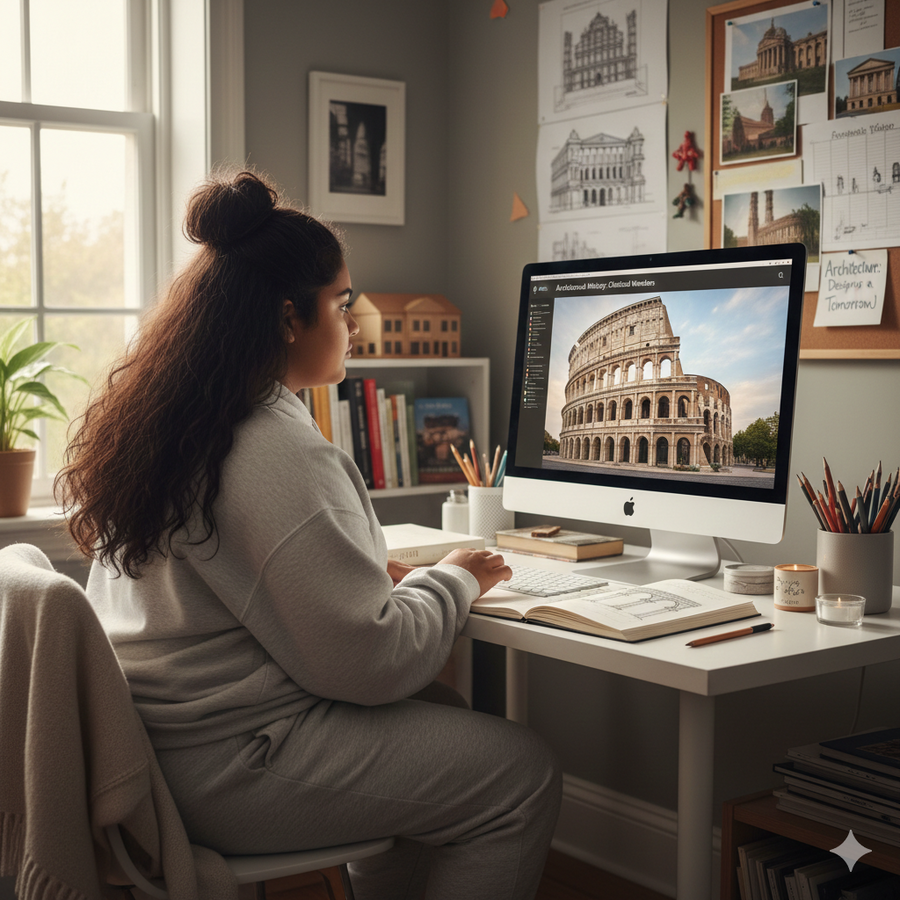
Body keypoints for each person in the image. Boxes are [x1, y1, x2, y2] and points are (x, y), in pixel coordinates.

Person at [56, 169, 561, 900]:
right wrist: (456, 576)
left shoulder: (180, 421)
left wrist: (370, 582)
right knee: (522, 774)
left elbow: (262, 593)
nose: (352, 325)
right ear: (291, 318)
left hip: (164, 747)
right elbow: (372, 663)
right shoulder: (273, 446)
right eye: (342, 304)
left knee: (442, 717)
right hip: (228, 765)